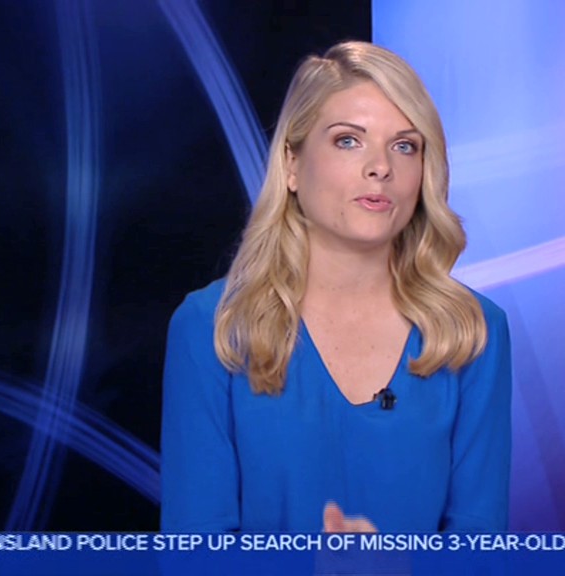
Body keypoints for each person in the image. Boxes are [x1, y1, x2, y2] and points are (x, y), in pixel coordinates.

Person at [161, 41, 511, 533]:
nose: (381, 167)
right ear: (291, 164)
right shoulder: (211, 327)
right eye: (349, 140)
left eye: (404, 146)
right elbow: (196, 552)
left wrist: (395, 567)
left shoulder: (473, 330)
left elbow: (480, 550)